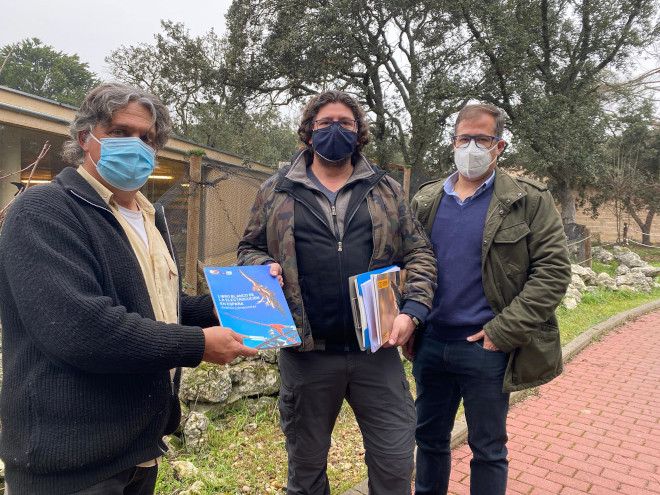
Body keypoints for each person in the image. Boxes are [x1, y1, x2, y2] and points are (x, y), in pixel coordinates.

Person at [0, 82, 257, 495]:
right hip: (70, 465)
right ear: (86, 137)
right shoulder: (44, 211)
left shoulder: (149, 216)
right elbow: (81, 328)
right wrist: (197, 345)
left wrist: (242, 302)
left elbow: (158, 305)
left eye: (148, 137)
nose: (137, 145)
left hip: (138, 451)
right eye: (121, 132)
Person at [238, 90, 437, 495]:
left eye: (345, 123)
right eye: (324, 122)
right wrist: (261, 267)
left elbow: (419, 253)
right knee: (306, 470)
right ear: (309, 133)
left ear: (359, 132)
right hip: (307, 356)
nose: (334, 130)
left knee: (396, 463)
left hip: (377, 352)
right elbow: (248, 248)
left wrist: (412, 310)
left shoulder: (387, 190)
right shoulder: (275, 190)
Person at [409, 103, 571, 495]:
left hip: (486, 347)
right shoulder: (426, 201)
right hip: (431, 345)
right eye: (464, 138)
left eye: (482, 139)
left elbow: (553, 272)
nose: (471, 147)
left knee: (488, 449)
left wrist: (502, 331)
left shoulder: (527, 199)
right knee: (429, 443)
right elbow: (407, 266)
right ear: (453, 142)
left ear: (499, 145)